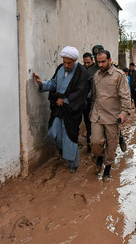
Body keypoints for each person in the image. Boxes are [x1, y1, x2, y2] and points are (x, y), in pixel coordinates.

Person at [33, 46, 88, 174]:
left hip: (72, 111)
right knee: (53, 133)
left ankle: (73, 164)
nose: (66, 65)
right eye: (64, 62)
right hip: (58, 108)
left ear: (74, 61)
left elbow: (81, 91)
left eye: (69, 63)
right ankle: (64, 151)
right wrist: (42, 84)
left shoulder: (82, 72)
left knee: (70, 136)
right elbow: (53, 84)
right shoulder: (60, 69)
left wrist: (65, 100)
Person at [90, 50, 130, 182]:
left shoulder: (119, 75)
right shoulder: (96, 75)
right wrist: (92, 108)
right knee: (95, 142)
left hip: (112, 115)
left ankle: (107, 168)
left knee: (111, 144)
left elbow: (125, 96)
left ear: (110, 60)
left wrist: (124, 113)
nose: (100, 64)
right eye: (98, 62)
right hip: (97, 114)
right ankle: (99, 158)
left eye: (103, 61)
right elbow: (95, 95)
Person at [82, 52, 95, 150]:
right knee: (87, 122)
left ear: (92, 60)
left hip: (94, 101)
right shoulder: (82, 70)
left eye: (88, 63)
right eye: (85, 63)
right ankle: (89, 143)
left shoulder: (96, 70)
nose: (87, 65)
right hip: (85, 102)